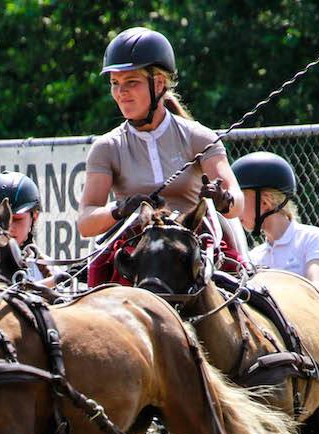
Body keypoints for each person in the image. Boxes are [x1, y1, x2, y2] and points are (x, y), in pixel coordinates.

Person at [78, 26, 245, 285]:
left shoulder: (198, 136)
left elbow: (238, 202)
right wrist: (119, 209)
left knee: (242, 289)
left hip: (195, 246)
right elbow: (86, 222)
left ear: (158, 84)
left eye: (131, 82)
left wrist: (224, 199)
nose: (121, 92)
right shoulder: (106, 147)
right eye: (115, 83)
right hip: (136, 250)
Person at [232, 151, 319, 299]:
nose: (235, 208)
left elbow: (317, 291)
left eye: (240, 199)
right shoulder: (254, 257)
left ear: (265, 201)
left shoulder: (310, 238)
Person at [0, 170, 68, 289]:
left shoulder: (49, 267)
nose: (9, 228)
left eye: (17, 219)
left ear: (34, 217)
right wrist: (54, 280)